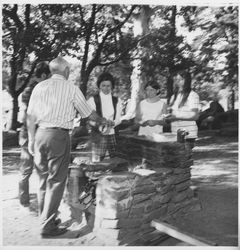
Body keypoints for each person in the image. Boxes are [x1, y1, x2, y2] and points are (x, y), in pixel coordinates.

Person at [26, 56, 105, 237]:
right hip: (58, 136)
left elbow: (30, 116)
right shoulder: (71, 88)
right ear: (66, 71)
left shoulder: (39, 87)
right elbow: (88, 113)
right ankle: (47, 227)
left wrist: (31, 139)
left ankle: (46, 218)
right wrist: (103, 120)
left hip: (40, 135)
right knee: (56, 181)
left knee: (43, 180)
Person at [18, 61, 51, 208]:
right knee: (38, 172)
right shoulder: (33, 91)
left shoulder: (30, 90)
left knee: (28, 171)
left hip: (31, 135)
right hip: (31, 136)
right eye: (50, 76)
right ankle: (30, 202)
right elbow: (27, 116)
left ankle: (25, 201)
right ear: (44, 75)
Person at [87, 72, 123, 161]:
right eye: (103, 85)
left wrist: (113, 123)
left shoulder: (117, 100)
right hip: (98, 135)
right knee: (97, 161)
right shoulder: (93, 100)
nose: (106, 88)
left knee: (115, 160)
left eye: (108, 86)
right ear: (99, 85)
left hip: (113, 133)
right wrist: (100, 124)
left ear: (112, 86)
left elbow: (119, 118)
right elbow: (89, 119)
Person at [165, 70, 200, 149]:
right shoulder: (174, 96)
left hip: (187, 135)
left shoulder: (192, 95)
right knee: (176, 160)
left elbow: (195, 116)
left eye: (181, 79)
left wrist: (176, 117)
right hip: (175, 133)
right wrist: (168, 117)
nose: (178, 82)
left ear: (187, 80)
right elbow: (173, 114)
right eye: (176, 80)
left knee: (183, 160)